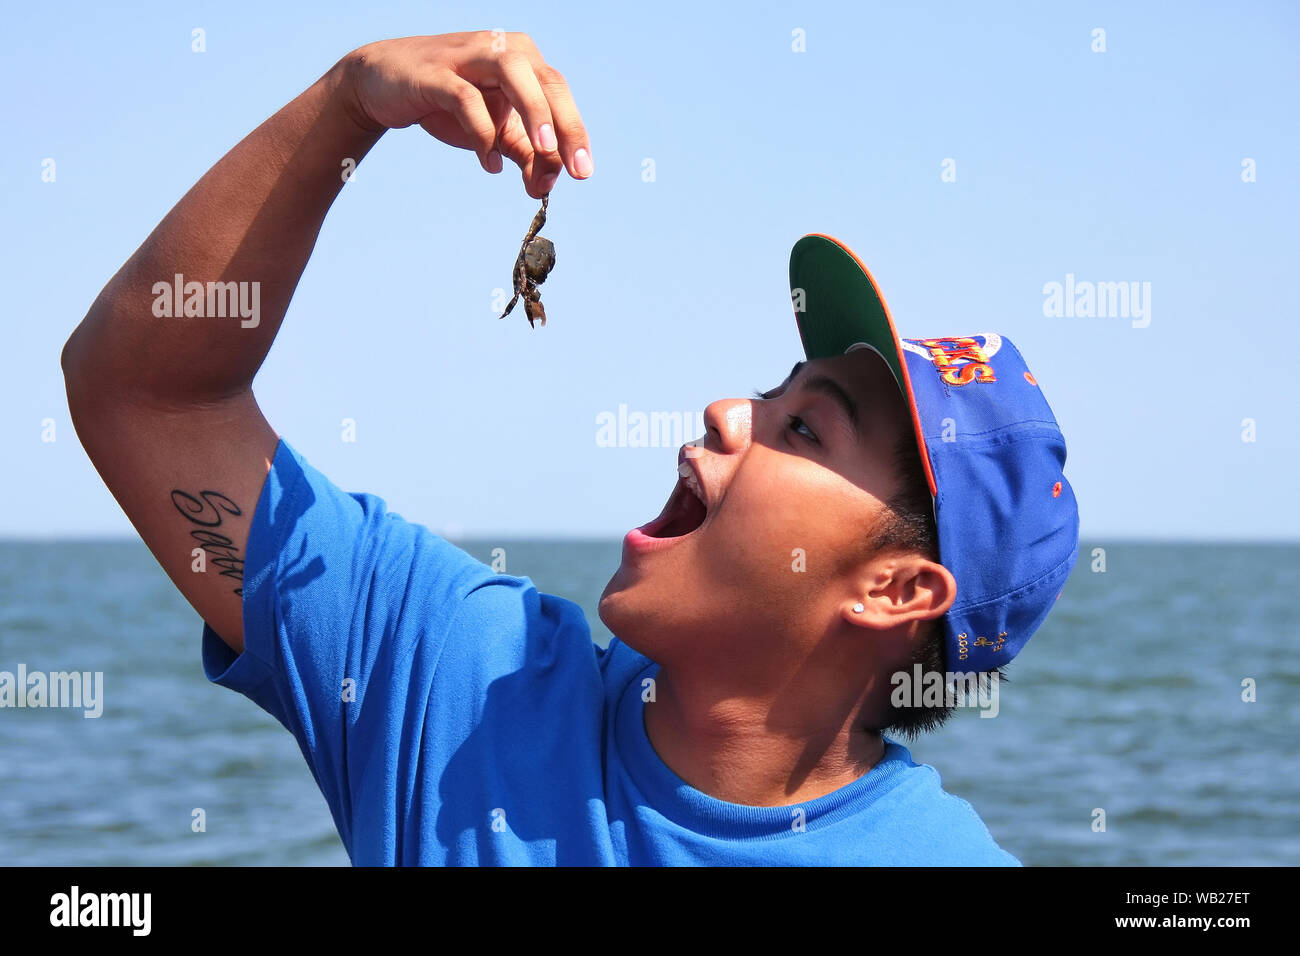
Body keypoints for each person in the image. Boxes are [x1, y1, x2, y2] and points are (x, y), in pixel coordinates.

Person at [61, 31, 1078, 865]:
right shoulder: (457, 678)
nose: (728, 408)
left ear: (898, 591)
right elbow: (147, 396)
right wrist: (345, 106)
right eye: (770, 392)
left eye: (803, 426)